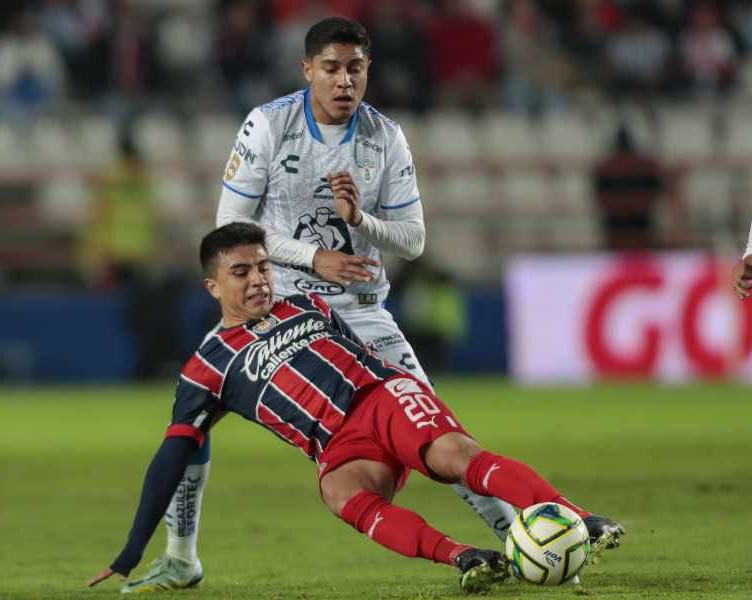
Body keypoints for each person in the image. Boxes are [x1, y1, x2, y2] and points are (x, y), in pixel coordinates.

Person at [137, 16, 519, 590]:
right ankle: (181, 555)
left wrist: (363, 221)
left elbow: (413, 240)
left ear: (368, 72)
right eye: (332, 68)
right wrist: (313, 258)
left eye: (356, 69)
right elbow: (230, 227)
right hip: (282, 308)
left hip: (363, 308)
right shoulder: (267, 125)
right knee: (192, 415)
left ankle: (519, 541)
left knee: (438, 430)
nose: (344, 81)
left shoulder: (384, 137)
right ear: (307, 70)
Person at [86, 223, 625, 594]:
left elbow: (359, 350)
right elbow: (172, 457)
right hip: (337, 446)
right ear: (212, 286)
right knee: (338, 493)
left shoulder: (307, 303)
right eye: (241, 272)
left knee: (454, 457)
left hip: (381, 396)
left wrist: (402, 389)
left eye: (263, 267)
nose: (258, 280)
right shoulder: (205, 369)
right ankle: (465, 557)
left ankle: (579, 517)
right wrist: (134, 547)